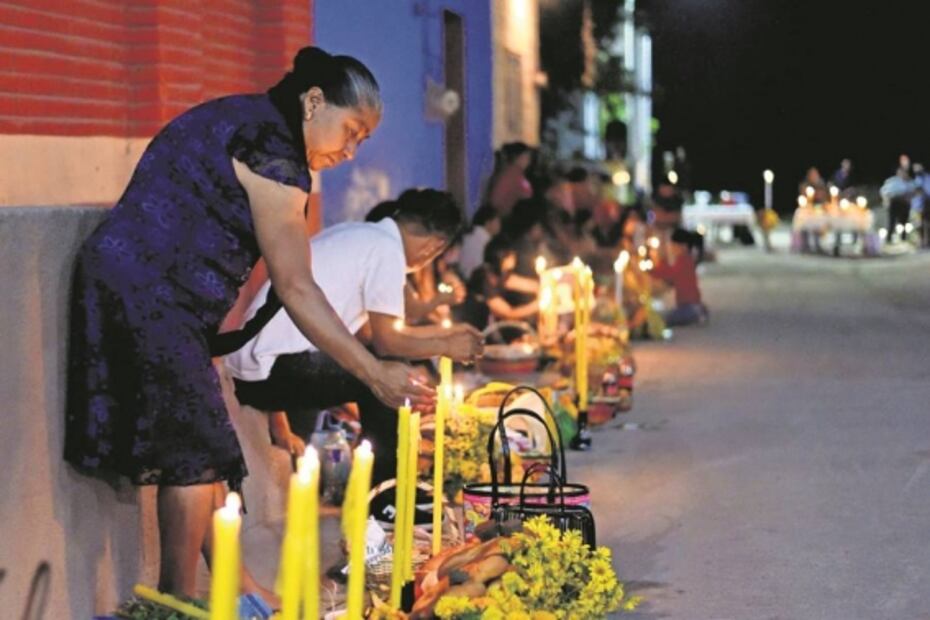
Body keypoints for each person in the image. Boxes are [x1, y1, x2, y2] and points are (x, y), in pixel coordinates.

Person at [64, 46, 432, 602]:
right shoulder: (275, 155)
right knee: (190, 455)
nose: (351, 151)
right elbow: (296, 287)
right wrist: (372, 372)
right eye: (351, 130)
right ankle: (178, 603)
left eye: (363, 140)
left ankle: (238, 589)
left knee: (205, 440)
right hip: (152, 297)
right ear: (313, 103)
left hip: (145, 291)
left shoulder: (245, 117)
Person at [227, 188, 482, 487]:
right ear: (434, 246)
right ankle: (386, 492)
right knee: (386, 373)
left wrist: (444, 336)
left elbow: (374, 332)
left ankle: (370, 482)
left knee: (381, 366)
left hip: (258, 365)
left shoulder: (359, 234)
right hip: (272, 369)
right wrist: (447, 345)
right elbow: (388, 341)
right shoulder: (387, 250)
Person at [649, 229, 708, 327]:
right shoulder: (687, 260)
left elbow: (669, 274)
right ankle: (698, 312)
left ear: (683, 247)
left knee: (664, 319)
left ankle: (695, 314)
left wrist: (656, 265)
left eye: (673, 246)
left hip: (687, 305)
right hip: (692, 303)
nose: (671, 249)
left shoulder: (683, 261)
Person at [486, 142, 534, 215]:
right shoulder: (514, 175)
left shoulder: (508, 172)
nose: (528, 161)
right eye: (526, 157)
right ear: (517, 158)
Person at [459, 204, 502, 278]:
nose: (500, 225)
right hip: (476, 280)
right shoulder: (487, 241)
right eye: (497, 221)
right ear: (488, 223)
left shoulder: (468, 235)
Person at [881, 165, 917, 243]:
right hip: (894, 202)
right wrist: (886, 200)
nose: (903, 174)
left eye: (904, 173)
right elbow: (884, 192)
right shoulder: (892, 181)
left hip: (904, 203)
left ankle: (903, 239)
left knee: (904, 222)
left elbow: (914, 192)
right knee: (891, 222)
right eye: (901, 172)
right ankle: (888, 239)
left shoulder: (910, 182)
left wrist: (910, 197)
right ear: (898, 173)